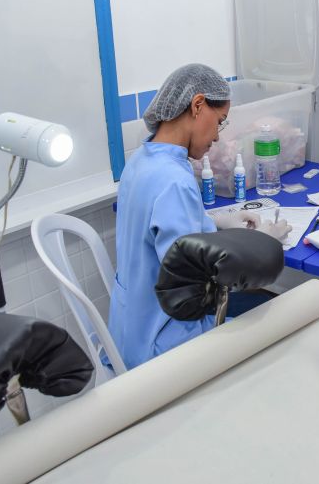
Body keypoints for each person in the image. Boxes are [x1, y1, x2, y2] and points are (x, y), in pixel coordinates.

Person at [109, 63, 292, 370]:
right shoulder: (174, 180)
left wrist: (218, 221)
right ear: (197, 105)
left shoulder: (142, 161)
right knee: (281, 310)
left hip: (130, 332)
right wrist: (258, 243)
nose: (218, 138)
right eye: (219, 122)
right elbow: (197, 281)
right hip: (164, 342)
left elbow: (168, 241)